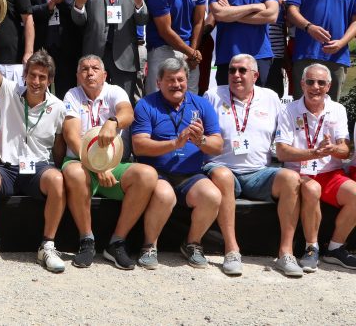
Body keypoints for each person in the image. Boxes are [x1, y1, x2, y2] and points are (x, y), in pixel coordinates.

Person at [0, 4, 67, 273]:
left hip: (37, 168)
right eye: (32, 75)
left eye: (42, 77)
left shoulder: (58, 106)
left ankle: (47, 245)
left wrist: (55, 165)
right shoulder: (10, 91)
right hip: (7, 166)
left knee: (57, 179)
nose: (36, 81)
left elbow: (59, 143)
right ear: (25, 76)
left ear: (49, 80)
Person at [62, 55, 175, 269]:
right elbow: (71, 135)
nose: (90, 72)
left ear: (104, 75)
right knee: (75, 173)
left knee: (147, 175)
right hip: (80, 161)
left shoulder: (115, 92)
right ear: (78, 76)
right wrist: (96, 165)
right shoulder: (72, 94)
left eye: (95, 68)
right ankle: (87, 240)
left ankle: (116, 242)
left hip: (113, 165)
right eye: (84, 69)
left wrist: (113, 122)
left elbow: (127, 113)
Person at [203, 54, 303, 276]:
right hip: (221, 168)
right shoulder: (212, 95)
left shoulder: (270, 97)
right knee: (223, 175)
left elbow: (285, 135)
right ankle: (231, 250)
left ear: (255, 75)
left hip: (259, 172)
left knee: (290, 179)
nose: (236, 75)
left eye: (242, 71)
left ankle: (286, 253)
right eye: (231, 70)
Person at [131, 57, 223, 268]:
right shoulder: (146, 105)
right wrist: (175, 143)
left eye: (180, 79)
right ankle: (149, 245)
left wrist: (201, 141)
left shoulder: (201, 104)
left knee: (212, 195)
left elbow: (217, 145)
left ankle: (192, 243)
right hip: (158, 172)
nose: (176, 85)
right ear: (159, 82)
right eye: (170, 80)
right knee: (164, 195)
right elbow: (139, 145)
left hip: (190, 174)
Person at [275, 63, 356, 270]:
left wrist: (332, 149)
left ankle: (335, 249)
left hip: (331, 173)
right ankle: (312, 247)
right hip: (299, 172)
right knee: (312, 188)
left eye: (321, 83)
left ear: (329, 86)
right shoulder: (288, 109)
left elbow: (346, 150)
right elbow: (282, 151)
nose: (315, 87)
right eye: (310, 82)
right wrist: (314, 152)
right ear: (302, 84)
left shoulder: (337, 109)